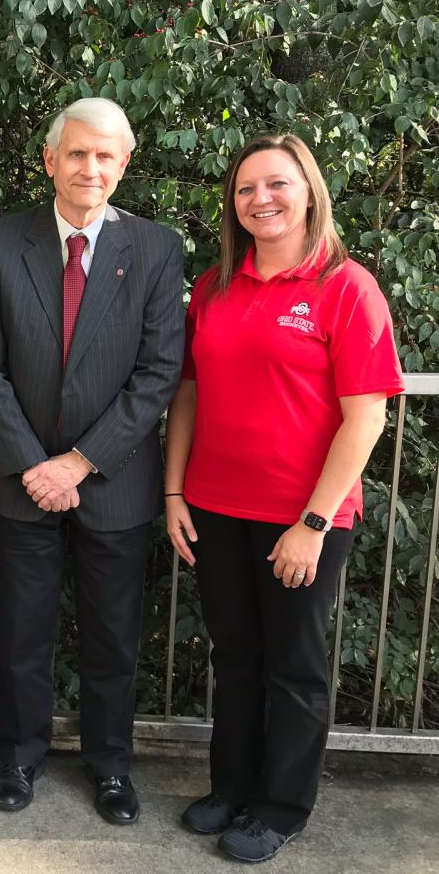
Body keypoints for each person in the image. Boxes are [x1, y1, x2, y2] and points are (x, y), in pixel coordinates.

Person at [164, 135, 402, 863]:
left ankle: (281, 806)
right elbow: (187, 395)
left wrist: (312, 522)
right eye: (245, 189)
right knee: (234, 656)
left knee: (293, 667)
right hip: (213, 506)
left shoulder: (345, 286)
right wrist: (173, 490)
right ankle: (231, 788)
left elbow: (367, 414)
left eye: (276, 184)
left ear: (308, 193)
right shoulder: (213, 286)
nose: (260, 199)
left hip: (303, 518)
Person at [0, 97, 183, 825]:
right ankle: (19, 757)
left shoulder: (155, 248)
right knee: (22, 632)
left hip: (113, 483)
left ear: (125, 164)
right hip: (20, 481)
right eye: (78, 154)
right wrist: (35, 463)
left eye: (106, 156)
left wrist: (79, 463)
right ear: (50, 159)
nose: (91, 168)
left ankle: (110, 766)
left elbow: (158, 372)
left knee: (113, 636)